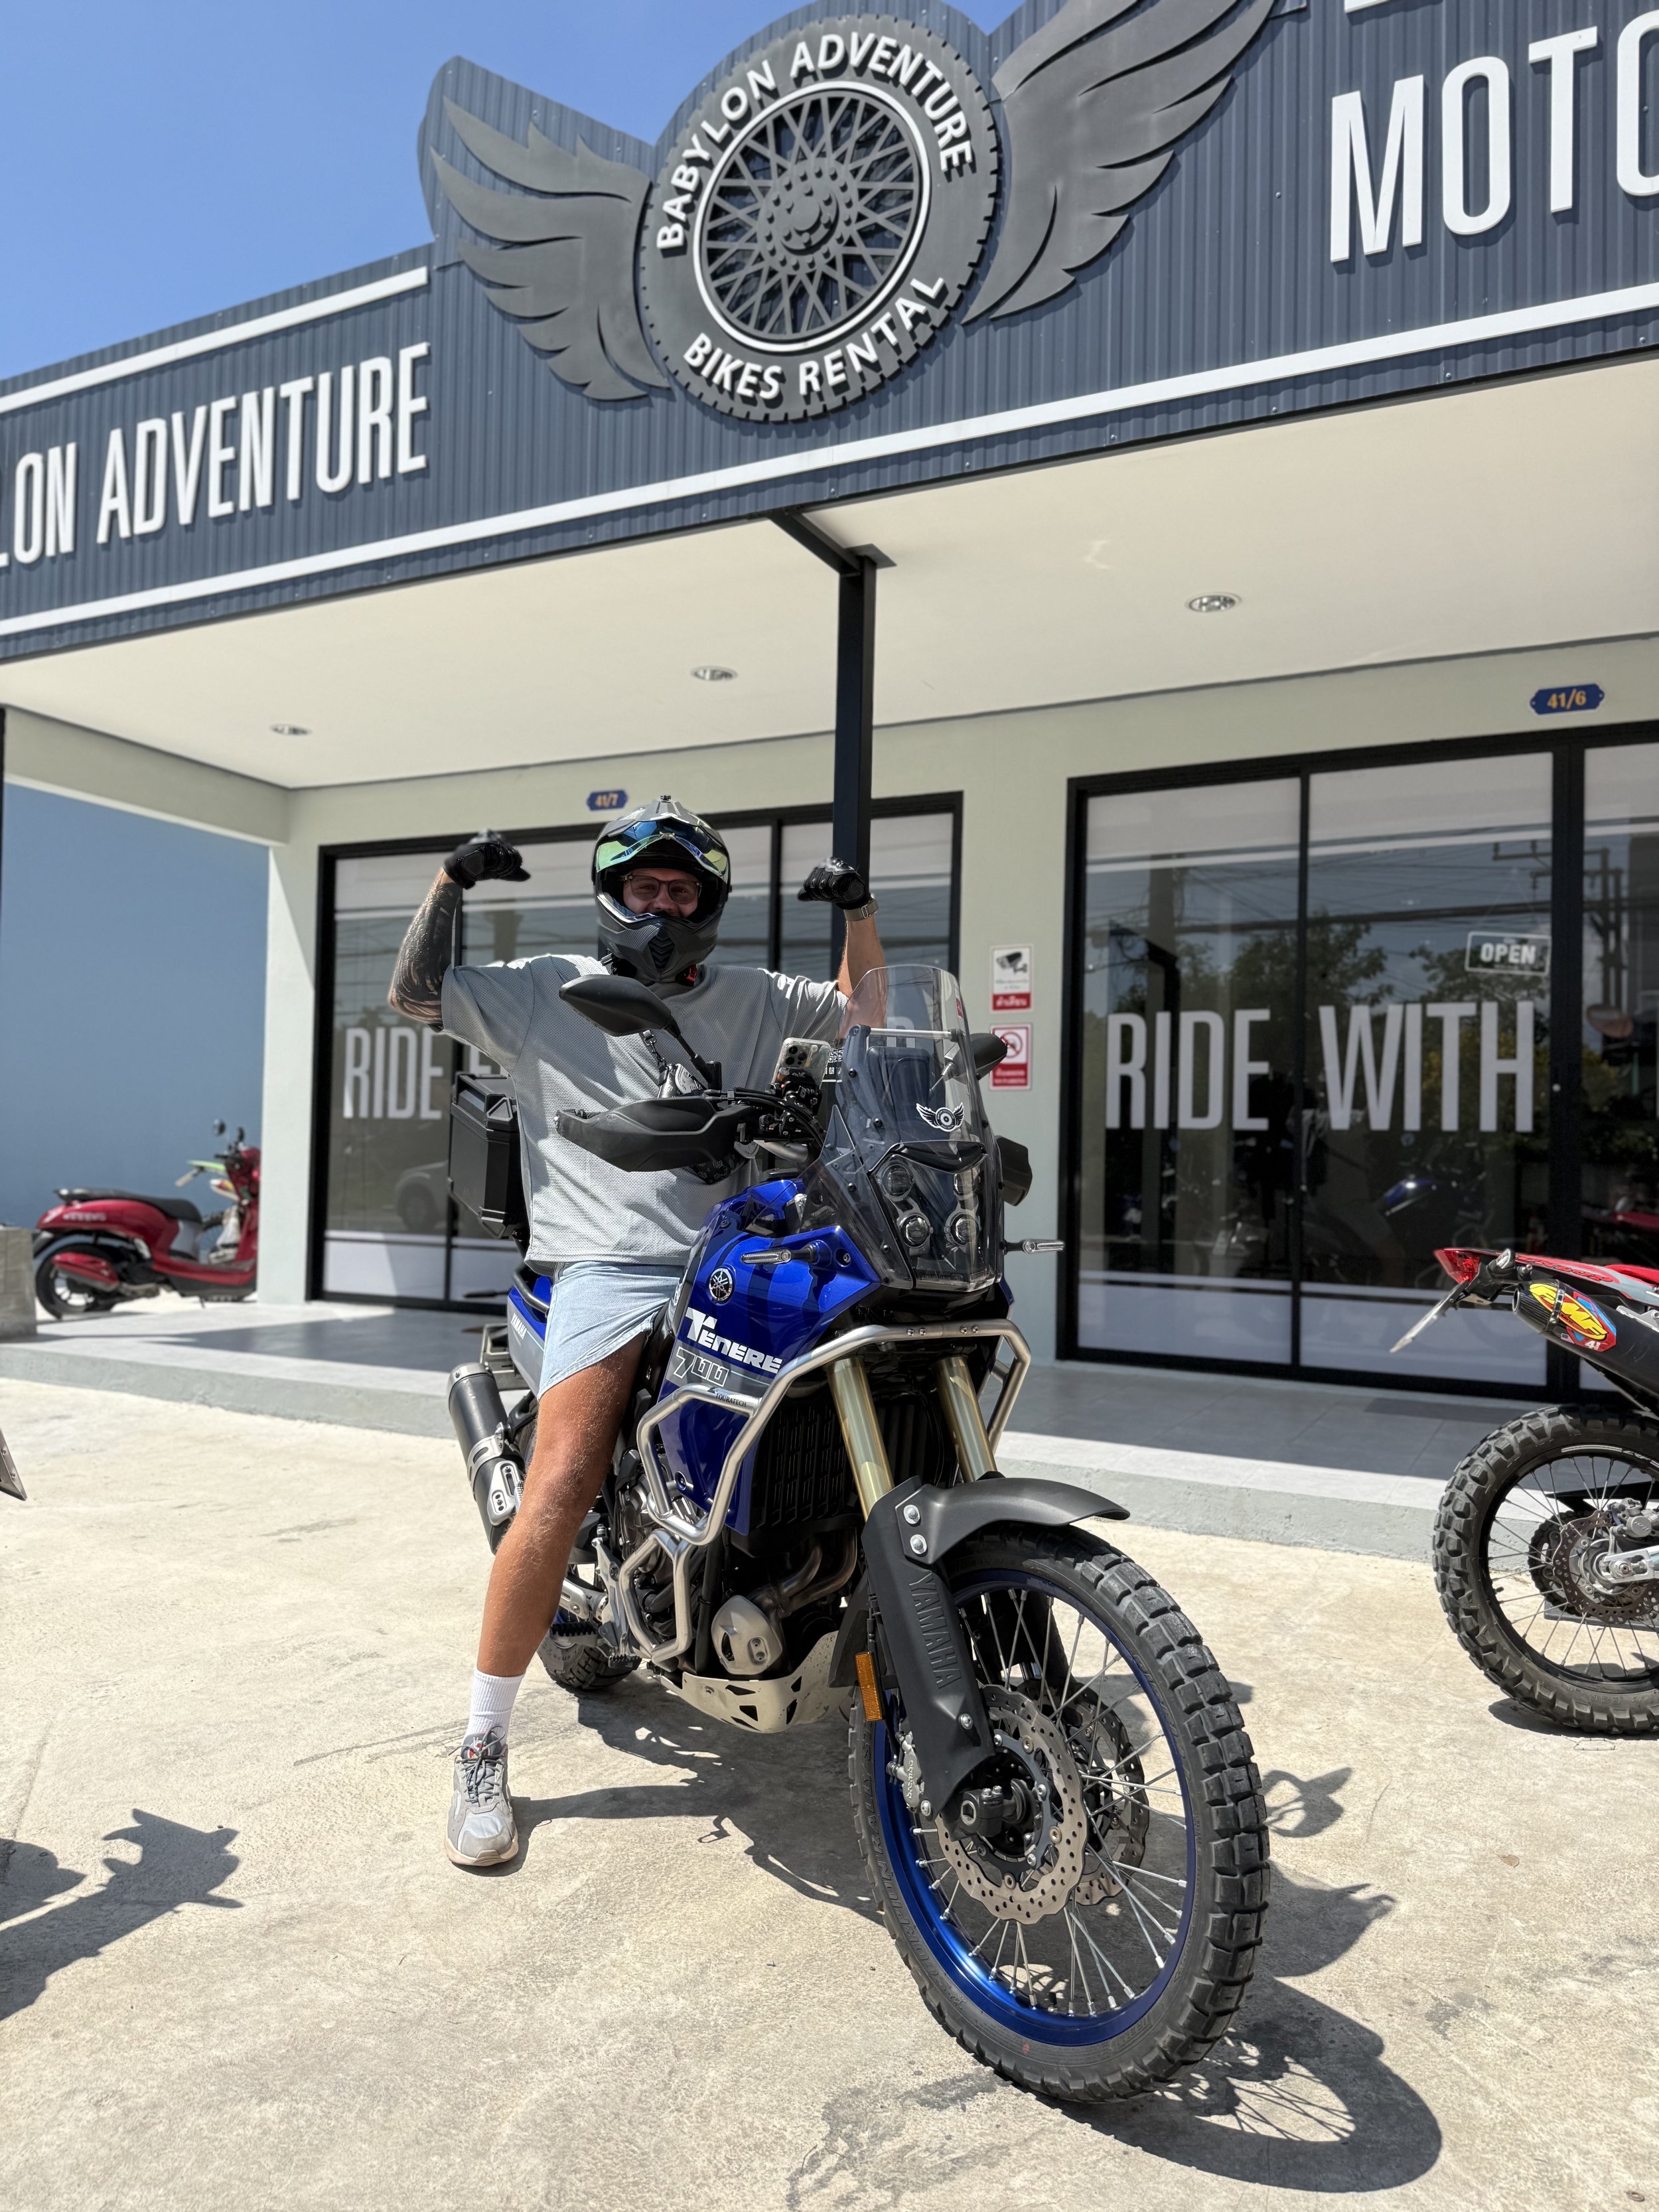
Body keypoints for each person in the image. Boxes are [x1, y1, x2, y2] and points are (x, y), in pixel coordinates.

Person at [387, 796, 885, 1868]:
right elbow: (418, 994)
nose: (662, 904)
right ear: (613, 897)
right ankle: (481, 1743)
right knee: (563, 1482)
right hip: (607, 1264)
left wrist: (860, 914)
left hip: (740, 1254)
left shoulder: (757, 996)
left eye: (682, 889)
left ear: (708, 905)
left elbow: (870, 1016)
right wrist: (450, 881)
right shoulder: (544, 989)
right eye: (645, 887)